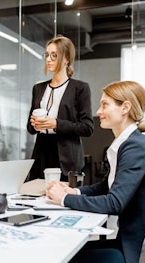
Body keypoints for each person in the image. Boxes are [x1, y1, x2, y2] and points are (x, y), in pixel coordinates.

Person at [46, 80, 145, 263]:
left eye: (105, 105)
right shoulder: (129, 144)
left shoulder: (136, 147)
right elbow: (107, 187)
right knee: (69, 255)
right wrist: (74, 191)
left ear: (125, 108)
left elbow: (114, 202)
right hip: (133, 242)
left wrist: (64, 199)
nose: (98, 111)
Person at [27, 34, 94, 181]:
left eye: (54, 55)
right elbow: (30, 129)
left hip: (67, 157)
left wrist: (56, 124)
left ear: (67, 59)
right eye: (47, 55)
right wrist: (34, 123)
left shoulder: (80, 88)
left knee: (62, 200)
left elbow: (87, 127)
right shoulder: (38, 88)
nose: (48, 59)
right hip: (41, 152)